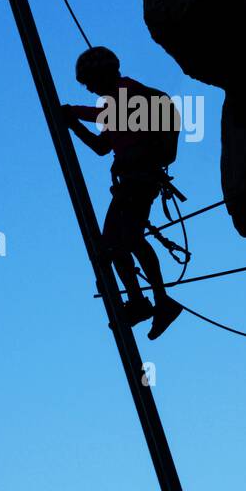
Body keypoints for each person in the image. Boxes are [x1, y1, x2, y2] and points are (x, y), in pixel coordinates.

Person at [62, 46, 183, 340]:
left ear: (102, 75)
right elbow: (102, 147)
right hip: (135, 180)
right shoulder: (117, 103)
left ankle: (157, 301)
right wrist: (72, 122)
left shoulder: (127, 91)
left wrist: (70, 113)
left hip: (140, 180)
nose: (90, 88)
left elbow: (107, 114)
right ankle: (142, 302)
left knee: (125, 240)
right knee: (113, 244)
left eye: (90, 81)